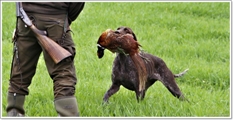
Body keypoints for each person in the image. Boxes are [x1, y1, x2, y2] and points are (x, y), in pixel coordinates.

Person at [6, 2, 85, 117]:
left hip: (25, 16)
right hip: (55, 17)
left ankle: (13, 113)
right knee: (63, 73)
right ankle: (67, 114)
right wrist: (66, 18)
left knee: (20, 71)